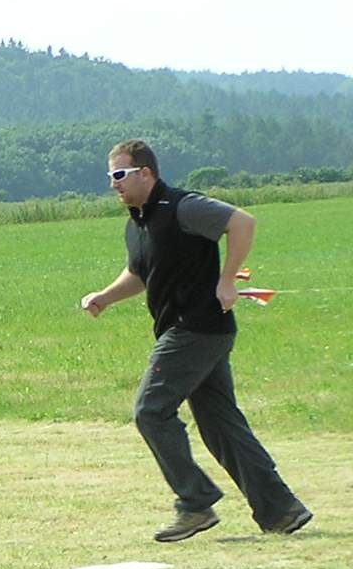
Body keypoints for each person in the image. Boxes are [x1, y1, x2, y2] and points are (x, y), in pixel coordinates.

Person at [80, 139, 311, 541]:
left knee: (151, 411)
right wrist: (105, 297)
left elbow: (242, 222)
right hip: (196, 331)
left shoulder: (182, 207)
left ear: (146, 173)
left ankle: (195, 503)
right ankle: (281, 510)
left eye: (119, 174)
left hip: (194, 328)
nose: (113, 183)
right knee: (221, 425)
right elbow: (139, 273)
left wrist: (227, 280)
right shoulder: (138, 224)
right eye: (110, 176)